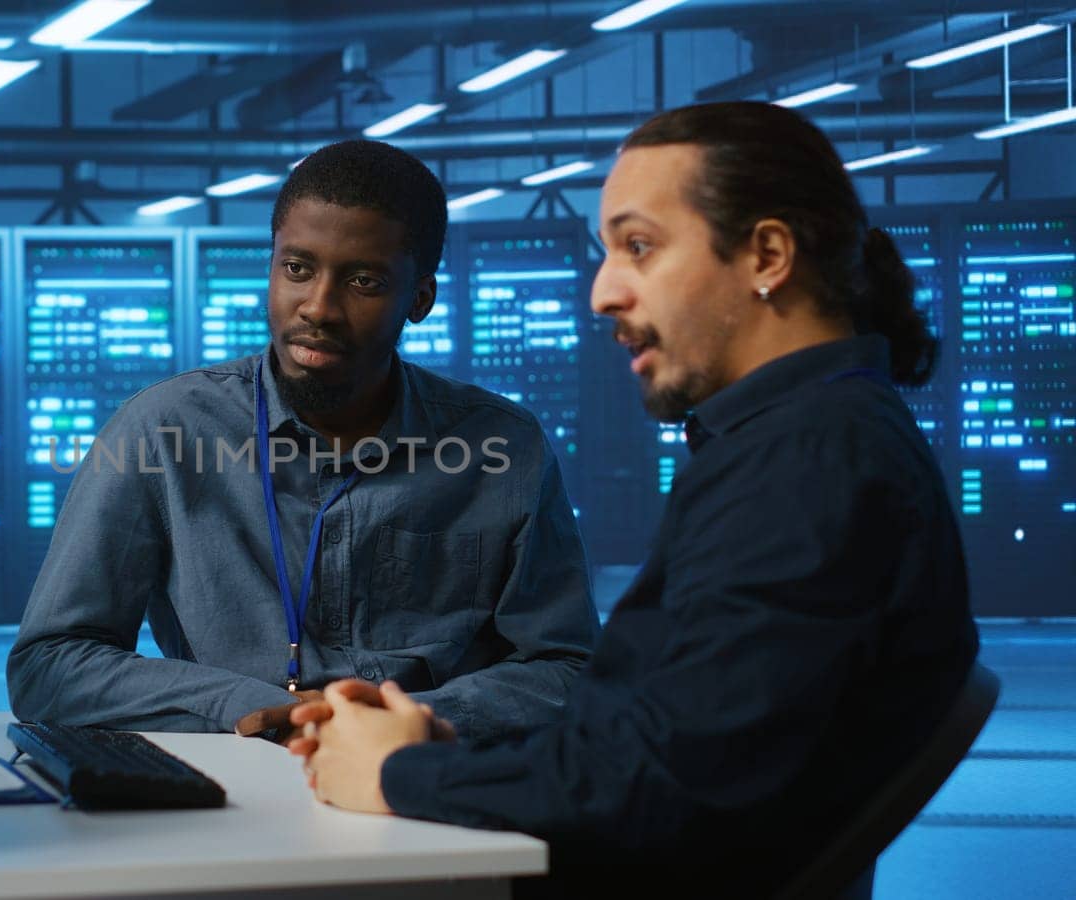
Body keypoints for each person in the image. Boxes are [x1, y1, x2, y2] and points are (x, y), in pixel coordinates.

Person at [290, 102, 980, 897]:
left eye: (639, 247)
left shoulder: (808, 465)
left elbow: (661, 787)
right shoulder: (812, 435)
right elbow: (669, 741)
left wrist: (403, 774)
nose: (602, 292)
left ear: (767, 254)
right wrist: (451, 759)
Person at [8, 140, 600, 743]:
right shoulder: (163, 430)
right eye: (297, 269)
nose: (318, 307)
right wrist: (250, 706)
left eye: (364, 282)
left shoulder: (503, 446)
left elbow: (568, 667)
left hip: (433, 789)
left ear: (419, 298)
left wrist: (414, 721)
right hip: (234, 798)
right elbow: (49, 665)